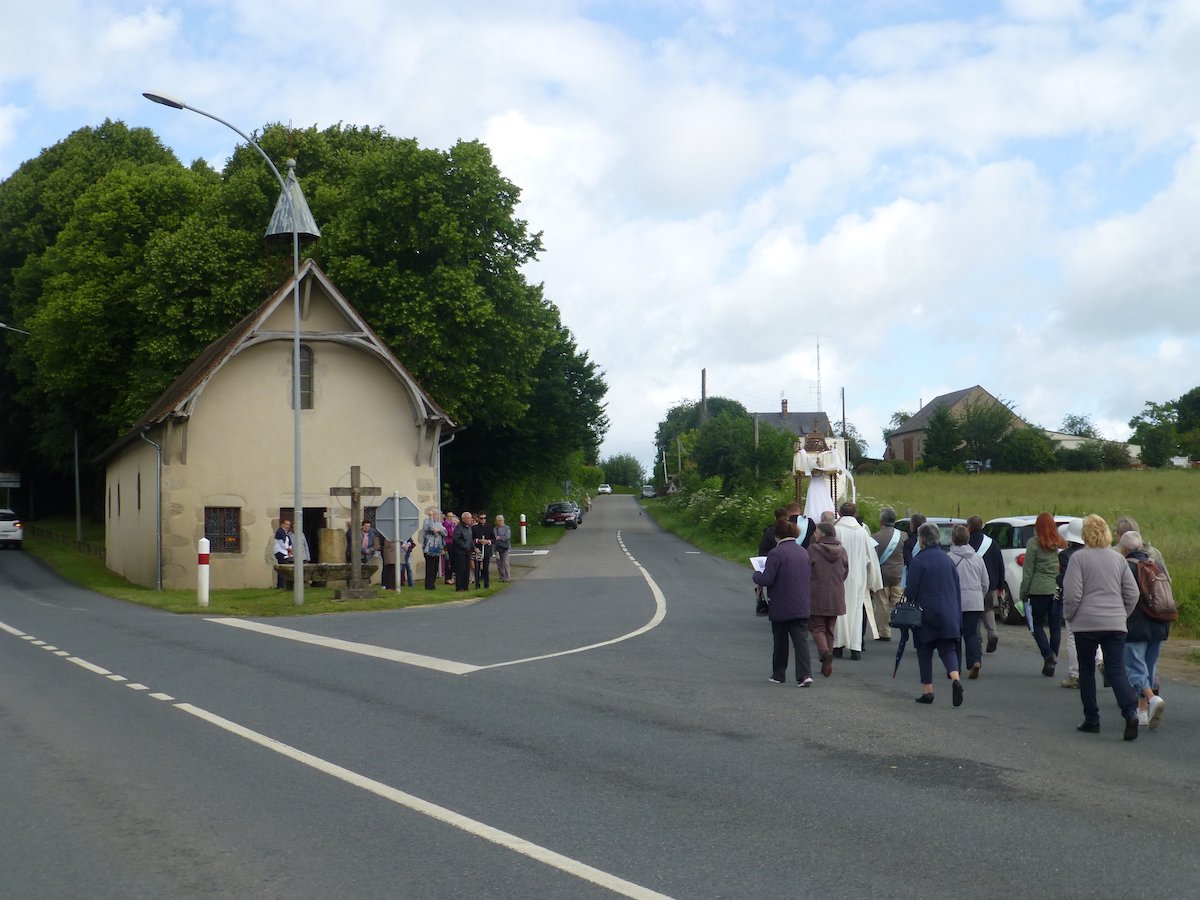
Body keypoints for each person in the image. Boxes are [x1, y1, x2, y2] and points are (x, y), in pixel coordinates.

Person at [1061, 514, 1140, 740]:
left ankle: (1092, 718)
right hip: (1115, 622)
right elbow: (1132, 593)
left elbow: (1073, 594)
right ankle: (1129, 711)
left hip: (1086, 623)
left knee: (1086, 670)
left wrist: (1070, 616)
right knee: (1116, 669)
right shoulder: (1118, 560)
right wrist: (1122, 614)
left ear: (1085, 534)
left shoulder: (1078, 559)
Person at [906, 522, 965, 706]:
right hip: (949, 611)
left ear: (921, 540)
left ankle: (928, 690)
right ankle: (955, 678)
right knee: (947, 649)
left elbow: (911, 590)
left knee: (924, 650)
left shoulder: (919, 561)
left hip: (926, 613)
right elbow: (956, 588)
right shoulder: (948, 560)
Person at [752, 517, 814, 686]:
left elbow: (768, 578)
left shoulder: (776, 553)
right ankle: (805, 675)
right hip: (801, 602)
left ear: (777, 535)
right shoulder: (803, 551)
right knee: (800, 641)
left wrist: (756, 575)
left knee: (780, 641)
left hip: (781, 603)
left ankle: (779, 674)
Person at [1117, 531, 1168, 730]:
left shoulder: (1125, 567)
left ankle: (1151, 698)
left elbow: (1123, 595)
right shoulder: (1157, 565)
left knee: (1134, 667)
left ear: (1124, 549)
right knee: (1149, 666)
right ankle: (1143, 710)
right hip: (1160, 622)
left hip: (1136, 624)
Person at [832, 501, 883, 660]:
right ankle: (855, 648)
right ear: (855, 514)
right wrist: (874, 581)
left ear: (840, 513)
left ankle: (838, 646)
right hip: (858, 576)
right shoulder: (862, 532)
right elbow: (871, 558)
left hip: (838, 576)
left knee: (839, 610)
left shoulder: (836, 530)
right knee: (856, 610)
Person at [1019, 511, 1066, 677]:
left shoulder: (1033, 543)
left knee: (1036, 625)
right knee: (1055, 627)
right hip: (1056, 590)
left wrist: (1023, 592)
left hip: (1038, 590)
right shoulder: (1060, 543)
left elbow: (1028, 571)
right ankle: (1053, 657)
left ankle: (1048, 655)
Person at [948, 524, 989, 679]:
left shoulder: (949, 558)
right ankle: (975, 661)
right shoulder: (977, 558)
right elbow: (985, 582)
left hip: (955, 602)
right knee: (971, 634)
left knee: (955, 636)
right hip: (975, 601)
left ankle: (954, 667)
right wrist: (980, 595)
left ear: (953, 538)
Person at [808, 521, 848, 677]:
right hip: (837, 594)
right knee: (830, 628)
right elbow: (845, 571)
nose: (814, 534)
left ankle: (825, 654)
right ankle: (827, 658)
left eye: (816, 531)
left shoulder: (813, 550)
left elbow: (807, 569)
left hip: (817, 593)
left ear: (823, 533)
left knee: (817, 627)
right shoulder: (842, 550)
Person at [1057, 519, 1091, 689]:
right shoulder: (1091, 553)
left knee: (1072, 636)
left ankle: (1074, 674)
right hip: (1091, 599)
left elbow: (1064, 579)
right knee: (1094, 634)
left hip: (1073, 598)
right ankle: (1099, 661)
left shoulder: (1065, 555)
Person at [967, 515, 1003, 652]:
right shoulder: (992, 543)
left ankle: (977, 640)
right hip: (990, 585)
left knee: (974, 613)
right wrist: (1000, 585)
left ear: (969, 527)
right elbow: (1000, 564)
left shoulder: (967, 543)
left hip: (971, 585)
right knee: (988, 610)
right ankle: (993, 633)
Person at [871, 507, 904, 641]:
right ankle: (902, 624)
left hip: (882, 575)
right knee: (897, 601)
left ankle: (884, 631)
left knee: (882, 603)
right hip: (898, 574)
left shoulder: (875, 537)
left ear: (881, 521)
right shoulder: (903, 536)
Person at [421, 507, 446, 591]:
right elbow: (430, 528)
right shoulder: (427, 521)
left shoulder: (439, 523)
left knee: (435, 567)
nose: (435, 516)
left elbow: (445, 532)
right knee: (430, 567)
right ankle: (428, 585)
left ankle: (433, 584)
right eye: (434, 514)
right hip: (429, 548)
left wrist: (439, 530)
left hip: (437, 548)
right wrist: (431, 519)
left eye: (436, 514)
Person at [452, 511, 476, 591]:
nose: (470, 520)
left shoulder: (469, 528)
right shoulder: (459, 528)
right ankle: (459, 587)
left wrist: (474, 548)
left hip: (467, 551)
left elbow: (470, 540)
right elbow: (456, 539)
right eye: (469, 518)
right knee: (460, 570)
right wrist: (464, 546)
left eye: (471, 518)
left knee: (467, 570)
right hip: (460, 552)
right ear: (464, 519)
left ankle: (465, 586)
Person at [472, 511, 495, 588]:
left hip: (487, 550)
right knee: (477, 567)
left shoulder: (489, 527)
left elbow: (494, 539)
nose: (483, 520)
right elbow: (472, 539)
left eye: (484, 518)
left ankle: (486, 584)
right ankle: (477, 584)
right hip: (478, 550)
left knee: (486, 568)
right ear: (478, 519)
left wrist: (488, 541)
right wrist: (478, 540)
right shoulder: (474, 528)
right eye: (481, 518)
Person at [273, 518, 293, 589]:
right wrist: (289, 549)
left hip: (285, 553)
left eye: (289, 525)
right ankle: (281, 585)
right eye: (286, 524)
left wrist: (289, 550)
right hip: (280, 552)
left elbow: (289, 542)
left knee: (283, 569)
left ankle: (282, 585)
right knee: (283, 569)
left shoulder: (286, 533)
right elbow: (282, 544)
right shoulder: (280, 531)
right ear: (282, 524)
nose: (287, 526)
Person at [493, 515, 513, 582]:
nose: (500, 522)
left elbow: (507, 536)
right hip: (497, 548)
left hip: (505, 548)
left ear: (503, 520)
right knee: (499, 564)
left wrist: (500, 537)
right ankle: (502, 577)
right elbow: (494, 537)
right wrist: (499, 537)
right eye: (498, 520)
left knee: (505, 563)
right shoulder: (495, 529)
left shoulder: (507, 528)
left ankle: (508, 577)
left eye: (501, 520)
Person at [442, 512, 459, 583]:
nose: (451, 518)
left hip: (453, 544)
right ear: (446, 517)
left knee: (452, 561)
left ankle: (451, 577)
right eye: (449, 516)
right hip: (447, 544)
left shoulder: (452, 524)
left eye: (452, 516)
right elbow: (450, 533)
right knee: (448, 561)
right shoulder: (445, 524)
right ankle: (447, 578)